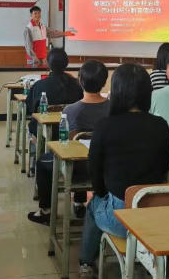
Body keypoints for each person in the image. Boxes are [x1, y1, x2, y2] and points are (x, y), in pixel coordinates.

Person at [79, 64, 169, 277]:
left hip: (121, 218)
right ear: (147, 93)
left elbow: (95, 172)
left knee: (93, 205)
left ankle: (85, 263)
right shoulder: (160, 125)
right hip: (155, 215)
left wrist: (100, 193)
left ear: (116, 92)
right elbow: (164, 167)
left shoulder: (104, 126)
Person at [27, 60, 110, 225]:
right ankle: (79, 203)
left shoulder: (70, 110)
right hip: (105, 167)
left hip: (76, 168)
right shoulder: (113, 108)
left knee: (43, 162)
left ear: (80, 80)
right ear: (104, 82)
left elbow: (64, 143)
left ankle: (46, 211)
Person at [26, 48, 83, 136]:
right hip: (71, 132)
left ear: (48, 64)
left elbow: (29, 109)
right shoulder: (77, 85)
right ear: (66, 64)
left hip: (43, 131)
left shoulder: (39, 85)